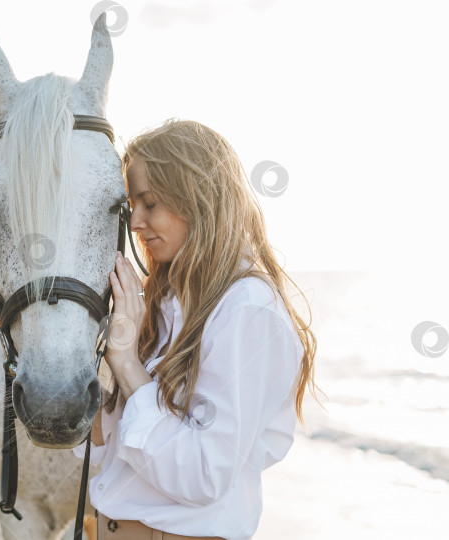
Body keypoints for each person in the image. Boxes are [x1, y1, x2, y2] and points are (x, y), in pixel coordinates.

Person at [70, 118, 322, 540]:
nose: (135, 222)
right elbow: (109, 458)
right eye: (131, 205)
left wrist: (129, 365)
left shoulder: (248, 311)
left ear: (198, 199)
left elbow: (205, 475)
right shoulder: (164, 303)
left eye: (149, 203)